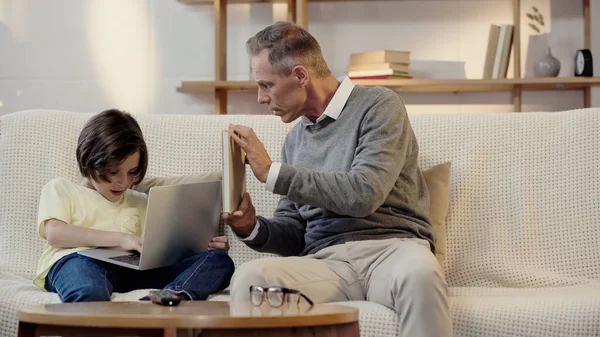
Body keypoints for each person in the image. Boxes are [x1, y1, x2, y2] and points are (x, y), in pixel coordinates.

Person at [222, 21, 452, 336]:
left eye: (266, 85)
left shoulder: (379, 105)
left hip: (392, 251)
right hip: (326, 263)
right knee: (251, 277)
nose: (261, 98)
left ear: (300, 76)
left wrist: (272, 172)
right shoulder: (295, 139)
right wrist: (251, 227)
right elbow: (294, 232)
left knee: (422, 274)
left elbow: (364, 194)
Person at [34, 109, 235, 302]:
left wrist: (205, 246)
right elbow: (55, 233)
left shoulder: (141, 200)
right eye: (113, 172)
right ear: (89, 160)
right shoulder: (62, 189)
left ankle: (169, 298)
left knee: (219, 261)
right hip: (77, 261)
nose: (123, 182)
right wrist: (121, 239)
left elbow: (163, 249)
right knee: (88, 289)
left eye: (132, 172)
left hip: (131, 270)